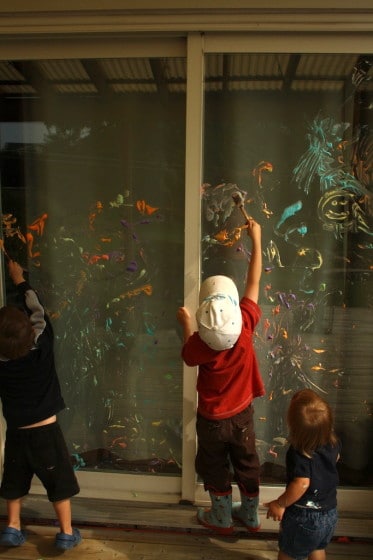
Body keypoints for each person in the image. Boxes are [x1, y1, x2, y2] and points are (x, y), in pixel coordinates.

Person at [177, 218, 265, 535]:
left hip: (211, 421)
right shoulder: (246, 325)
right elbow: (254, 282)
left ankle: (221, 516)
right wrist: (256, 239)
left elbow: (188, 353)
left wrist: (186, 322)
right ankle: (252, 515)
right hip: (242, 417)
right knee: (247, 462)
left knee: (214, 465)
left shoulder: (200, 346)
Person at [0, 260, 82, 550]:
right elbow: (40, 314)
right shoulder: (42, 349)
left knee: (13, 480)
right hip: (46, 433)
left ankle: (11, 527)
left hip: (17, 433)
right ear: (30, 333)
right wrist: (20, 281)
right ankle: (66, 532)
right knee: (58, 483)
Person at [264, 389, 341, 560]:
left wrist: (280, 503)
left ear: (293, 426)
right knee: (317, 548)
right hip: (329, 512)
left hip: (304, 517)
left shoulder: (298, 453)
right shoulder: (332, 441)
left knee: (289, 553)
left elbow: (302, 484)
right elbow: (336, 458)